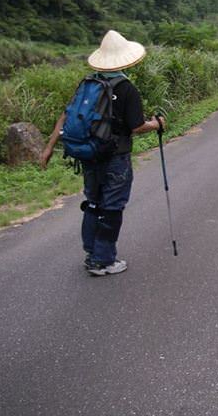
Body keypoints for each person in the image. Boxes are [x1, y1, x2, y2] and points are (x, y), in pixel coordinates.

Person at [40, 30, 164, 276]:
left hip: (90, 154)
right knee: (113, 206)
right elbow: (137, 126)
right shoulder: (127, 88)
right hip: (116, 158)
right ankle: (103, 260)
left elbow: (66, 116)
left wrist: (49, 147)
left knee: (93, 202)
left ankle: (91, 251)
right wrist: (158, 124)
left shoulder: (89, 84)